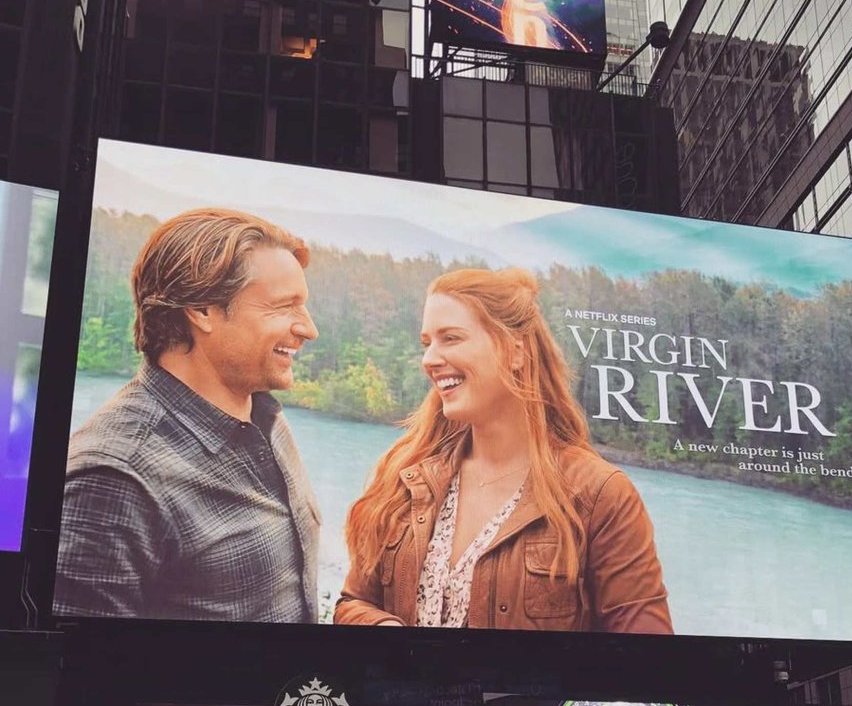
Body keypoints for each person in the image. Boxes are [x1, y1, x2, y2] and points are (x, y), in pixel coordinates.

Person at [335, 267, 673, 635]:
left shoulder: (600, 495)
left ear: (516, 350)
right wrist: (385, 627)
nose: (429, 359)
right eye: (427, 342)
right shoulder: (408, 477)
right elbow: (353, 602)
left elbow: (648, 662)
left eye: (450, 338)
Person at [54, 208, 321, 622]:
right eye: (284, 307)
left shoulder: (266, 417)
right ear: (201, 310)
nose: (308, 329)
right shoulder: (115, 477)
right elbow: (82, 673)